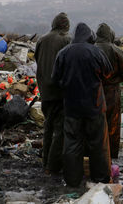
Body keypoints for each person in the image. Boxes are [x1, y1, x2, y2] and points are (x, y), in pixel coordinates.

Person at [52, 23, 113, 187]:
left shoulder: (63, 53)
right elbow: (108, 72)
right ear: (89, 36)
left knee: (72, 143)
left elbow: (55, 78)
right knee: (98, 144)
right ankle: (100, 179)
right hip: (95, 106)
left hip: (72, 107)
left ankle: (72, 180)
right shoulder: (96, 52)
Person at [35, 12, 71, 174]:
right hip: (59, 91)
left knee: (48, 126)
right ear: (65, 25)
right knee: (60, 129)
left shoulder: (41, 40)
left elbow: (38, 61)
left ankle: (45, 161)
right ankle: (53, 165)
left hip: (44, 90)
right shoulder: (66, 40)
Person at [95, 23, 123, 158]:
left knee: (96, 123)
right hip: (112, 91)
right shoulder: (115, 49)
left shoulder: (92, 48)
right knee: (113, 125)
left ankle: (96, 152)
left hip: (94, 91)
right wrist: (115, 80)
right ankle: (111, 154)